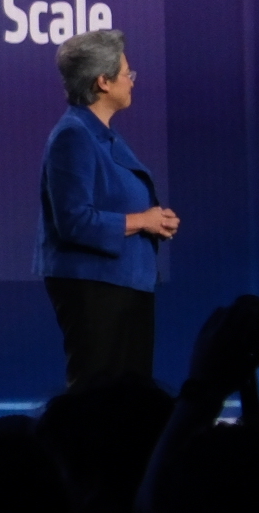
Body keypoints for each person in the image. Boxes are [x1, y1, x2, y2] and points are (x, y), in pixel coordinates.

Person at [39, 26, 178, 387]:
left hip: (125, 284)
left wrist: (155, 220)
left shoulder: (102, 135)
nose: (132, 81)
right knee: (98, 395)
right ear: (103, 81)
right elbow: (74, 221)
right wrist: (143, 221)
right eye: (127, 73)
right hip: (95, 286)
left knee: (128, 396)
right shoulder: (74, 135)